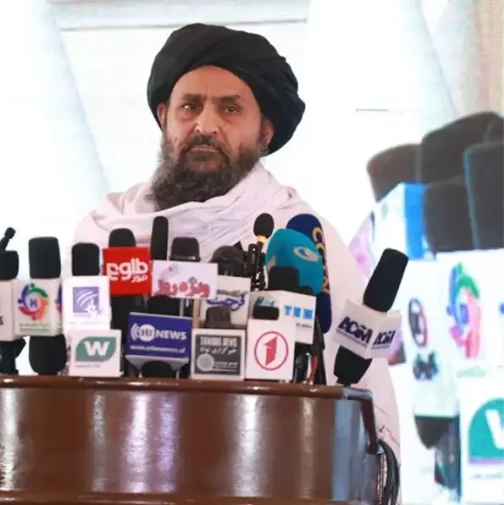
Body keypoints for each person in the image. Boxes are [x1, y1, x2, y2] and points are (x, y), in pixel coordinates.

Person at [73, 22, 401, 465]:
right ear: (163, 116)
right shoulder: (106, 232)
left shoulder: (298, 234)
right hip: (120, 465)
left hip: (264, 469)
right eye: (189, 107)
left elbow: (366, 391)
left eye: (229, 110)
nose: (205, 125)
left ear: (265, 131)